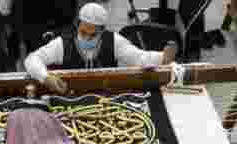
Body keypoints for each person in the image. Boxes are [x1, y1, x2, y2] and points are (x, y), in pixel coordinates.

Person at [24, 2, 177, 94]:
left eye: (92, 35)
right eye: (82, 32)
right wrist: (46, 77)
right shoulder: (63, 43)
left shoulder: (114, 41)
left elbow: (139, 58)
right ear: (78, 25)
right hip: (69, 97)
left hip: (107, 97)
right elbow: (32, 59)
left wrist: (163, 57)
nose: (86, 38)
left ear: (102, 31)